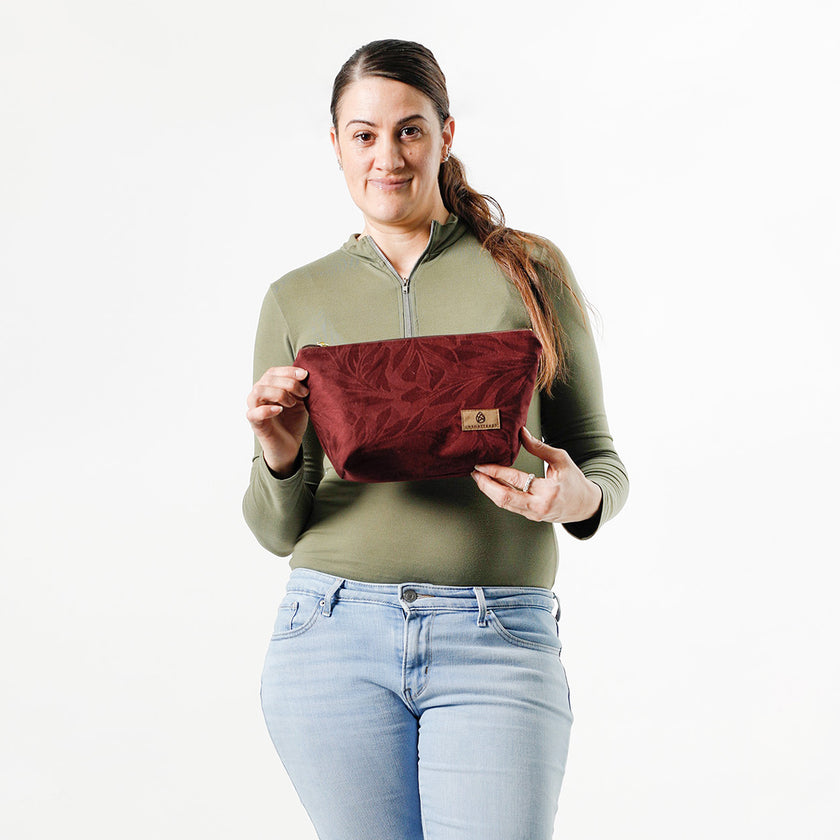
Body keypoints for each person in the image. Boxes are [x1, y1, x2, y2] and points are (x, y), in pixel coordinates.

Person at [243, 39, 628, 840]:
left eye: (410, 131)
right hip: (331, 635)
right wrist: (280, 453)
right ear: (337, 144)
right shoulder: (295, 298)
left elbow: (600, 459)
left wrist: (577, 496)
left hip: (498, 637)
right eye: (364, 135)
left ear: (446, 135)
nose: (388, 156)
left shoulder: (529, 270)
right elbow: (277, 529)